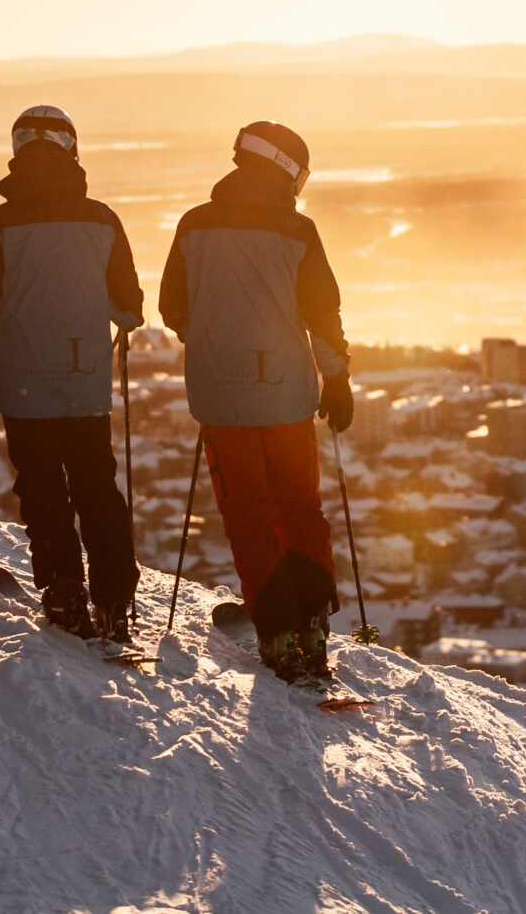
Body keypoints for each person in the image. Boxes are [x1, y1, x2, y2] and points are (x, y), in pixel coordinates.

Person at [160, 119, 353, 683]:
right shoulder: (299, 229)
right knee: (300, 507)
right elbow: (323, 313)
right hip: (290, 396)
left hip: (222, 397)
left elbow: (174, 307)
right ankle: (313, 631)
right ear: (289, 169)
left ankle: (276, 634)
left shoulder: (194, 225)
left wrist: (217, 341)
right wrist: (336, 378)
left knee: (248, 516)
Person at [0, 106, 146, 640]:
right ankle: (114, 598)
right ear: (72, 150)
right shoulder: (102, 219)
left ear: (17, 152)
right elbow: (128, 308)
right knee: (96, 485)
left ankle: (63, 588)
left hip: (22, 378)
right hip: (85, 376)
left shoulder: (0, 222)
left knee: (41, 484)